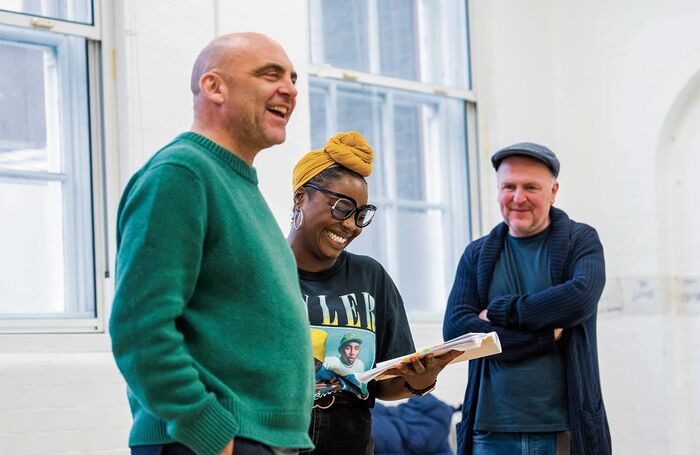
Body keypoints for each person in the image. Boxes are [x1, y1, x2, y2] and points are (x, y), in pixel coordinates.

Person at [109, 33, 314, 455]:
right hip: (210, 441)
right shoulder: (182, 173)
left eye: (293, 78)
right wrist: (206, 430)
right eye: (269, 74)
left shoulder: (237, 183)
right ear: (213, 86)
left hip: (260, 440)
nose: (290, 89)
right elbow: (138, 326)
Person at [288, 131, 460, 454]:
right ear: (301, 199)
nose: (351, 225)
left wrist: (421, 379)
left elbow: (383, 384)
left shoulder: (371, 278)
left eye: (361, 214)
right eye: (341, 208)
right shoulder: (265, 272)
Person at [443, 142, 611, 455]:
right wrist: (543, 338)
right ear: (498, 190)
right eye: (509, 186)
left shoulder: (581, 242)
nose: (518, 198)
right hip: (490, 431)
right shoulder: (477, 254)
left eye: (531, 186)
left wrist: (499, 310)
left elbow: (578, 300)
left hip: (562, 429)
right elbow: (455, 330)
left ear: (553, 191)